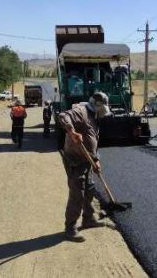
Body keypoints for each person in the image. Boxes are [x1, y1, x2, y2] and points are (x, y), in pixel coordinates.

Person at [59, 92, 111, 242]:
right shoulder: (81, 111)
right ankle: (70, 229)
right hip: (75, 161)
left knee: (90, 190)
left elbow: (93, 141)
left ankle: (88, 219)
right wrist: (72, 131)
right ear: (96, 105)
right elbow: (63, 116)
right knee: (78, 194)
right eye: (102, 108)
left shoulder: (94, 117)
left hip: (87, 160)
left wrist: (96, 159)